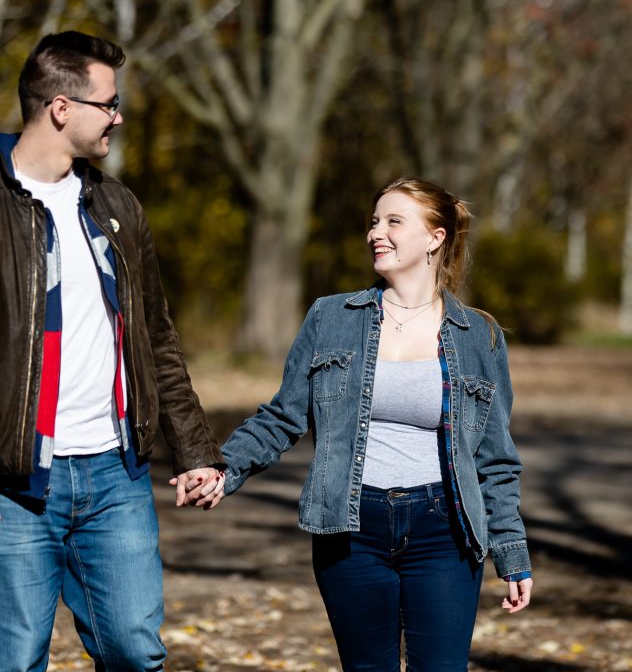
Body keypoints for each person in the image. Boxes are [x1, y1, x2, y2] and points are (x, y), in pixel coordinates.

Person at [0, 31, 224, 672]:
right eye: (107, 104)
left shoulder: (116, 206)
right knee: (15, 661)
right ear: (61, 107)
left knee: (136, 654)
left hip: (117, 475)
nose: (117, 116)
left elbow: (156, 338)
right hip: (18, 483)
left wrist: (194, 448)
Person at [183, 177, 533, 670]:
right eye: (373, 222)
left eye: (394, 221)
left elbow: (495, 459)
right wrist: (225, 469)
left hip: (445, 529)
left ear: (436, 238)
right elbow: (284, 415)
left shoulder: (479, 335)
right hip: (350, 527)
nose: (376, 233)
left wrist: (511, 550)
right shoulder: (332, 317)